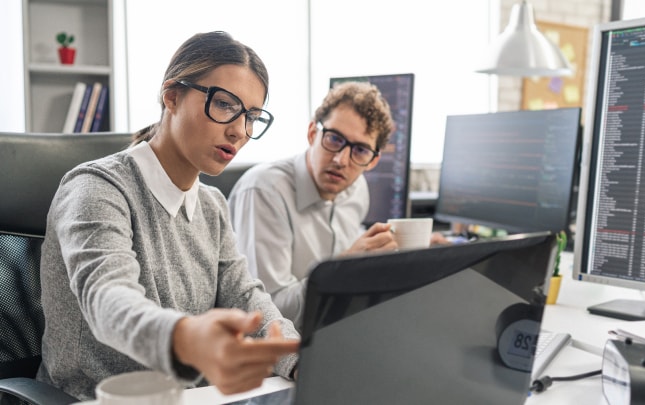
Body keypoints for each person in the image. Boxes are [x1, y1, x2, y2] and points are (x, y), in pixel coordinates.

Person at [36, 31, 299, 401]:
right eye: (225, 105)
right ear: (172, 96)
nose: (239, 131)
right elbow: (109, 300)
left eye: (252, 116)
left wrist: (298, 356)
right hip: (94, 398)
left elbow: (245, 295)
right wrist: (185, 339)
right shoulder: (97, 188)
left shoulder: (211, 205)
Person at [228, 81, 404, 328]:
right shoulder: (264, 190)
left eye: (361, 150)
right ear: (312, 133)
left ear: (372, 162)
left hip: (333, 328)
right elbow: (264, 314)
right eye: (334, 139)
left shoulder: (356, 188)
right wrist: (342, 270)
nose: (341, 160)